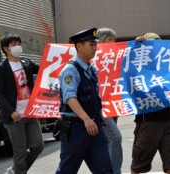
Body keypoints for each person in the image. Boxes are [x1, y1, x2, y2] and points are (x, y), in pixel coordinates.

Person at [56, 28, 113, 174]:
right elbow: (70, 98)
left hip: (94, 127)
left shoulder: (92, 70)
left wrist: (99, 117)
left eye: (95, 45)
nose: (95, 48)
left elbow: (95, 97)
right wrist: (86, 119)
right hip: (76, 128)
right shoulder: (71, 70)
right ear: (79, 46)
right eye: (91, 44)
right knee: (67, 170)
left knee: (105, 169)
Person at [131, 33, 170, 174]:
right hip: (147, 121)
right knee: (139, 164)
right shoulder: (137, 65)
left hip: (168, 120)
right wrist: (136, 45)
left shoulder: (166, 66)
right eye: (151, 45)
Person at [0, 33, 44, 174]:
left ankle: (16, 171)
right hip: (14, 117)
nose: (17, 47)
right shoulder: (1, 69)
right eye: (13, 45)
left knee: (38, 146)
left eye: (18, 43)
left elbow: (44, 69)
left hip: (30, 113)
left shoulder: (27, 62)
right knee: (20, 151)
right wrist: (11, 111)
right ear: (6, 48)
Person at [97, 27, 123, 174]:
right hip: (100, 106)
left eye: (114, 39)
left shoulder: (115, 57)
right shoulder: (92, 57)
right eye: (109, 39)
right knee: (115, 137)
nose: (113, 42)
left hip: (112, 104)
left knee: (107, 140)